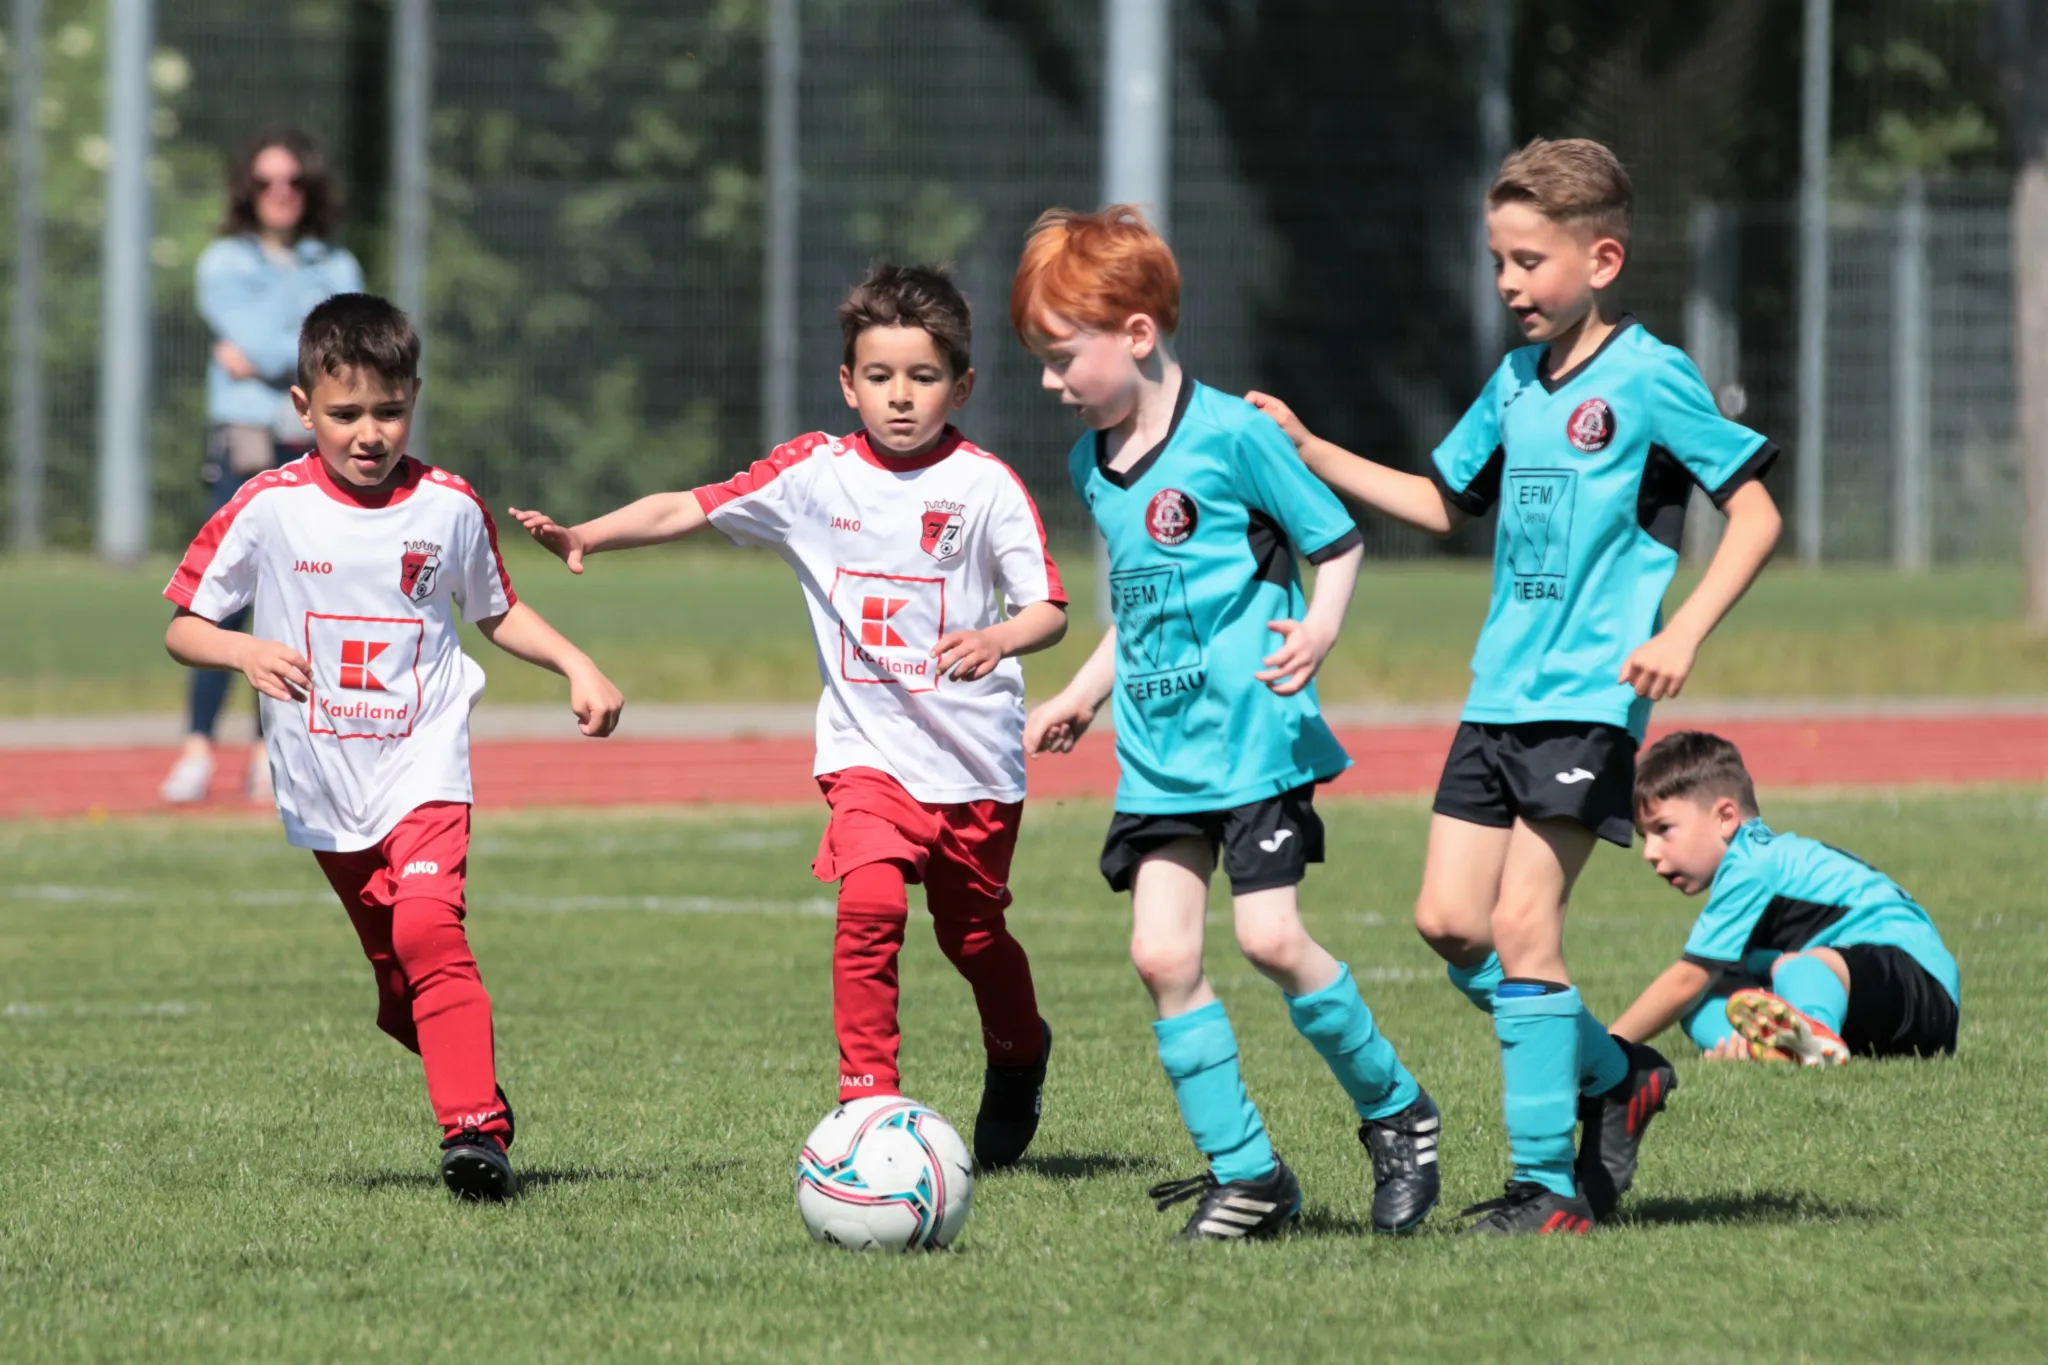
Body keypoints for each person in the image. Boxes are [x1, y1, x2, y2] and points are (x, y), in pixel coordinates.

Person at [1247, 137, 1784, 1233]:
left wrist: (1681, 631)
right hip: (1497, 692)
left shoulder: (1650, 377)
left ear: (1601, 259)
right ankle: (1616, 1076)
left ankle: (1546, 1188)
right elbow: (1443, 503)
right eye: (1498, 260)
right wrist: (1307, 447)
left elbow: (1757, 514)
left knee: (1524, 924)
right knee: (1450, 923)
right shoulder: (1513, 383)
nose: (1507, 282)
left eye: (1528, 260)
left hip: (1587, 698)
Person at [510, 264, 1065, 1170]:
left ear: (961, 387)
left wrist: (1000, 637)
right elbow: (689, 504)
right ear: (848, 383)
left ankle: (1018, 1052)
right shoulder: (813, 474)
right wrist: (587, 535)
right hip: (867, 755)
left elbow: (1049, 608)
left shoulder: (986, 487)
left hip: (974, 765)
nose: (899, 396)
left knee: (972, 938)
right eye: (879, 376)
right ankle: (867, 1103)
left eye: (923, 377)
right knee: (870, 901)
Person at [1017, 206, 1439, 1243]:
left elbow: (1336, 543)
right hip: (1159, 756)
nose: (1050, 382)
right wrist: (1082, 693)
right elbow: (1140, 610)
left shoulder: (1235, 436)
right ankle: (1248, 1174)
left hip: (1253, 740)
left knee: (1268, 936)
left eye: (1062, 357)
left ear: (1136, 333)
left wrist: (1320, 629)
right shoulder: (1089, 466)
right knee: (1160, 956)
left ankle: (1397, 1113)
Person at [162, 293, 624, 1198]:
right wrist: (243, 650)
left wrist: (577, 664)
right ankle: (468, 1073)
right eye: (345, 413)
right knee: (400, 989)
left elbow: (496, 609)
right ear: (303, 408)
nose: (369, 433)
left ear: (413, 397)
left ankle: (475, 1131)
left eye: (389, 410)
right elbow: (185, 627)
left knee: (427, 926)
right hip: (324, 781)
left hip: (424, 760)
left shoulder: (448, 505)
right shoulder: (268, 506)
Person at [162, 128, 365, 805]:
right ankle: (197, 745)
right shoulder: (224, 262)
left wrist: (269, 358)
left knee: (298, 599)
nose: (280, 193)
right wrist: (298, 349)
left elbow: (336, 349)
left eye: (293, 181)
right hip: (245, 444)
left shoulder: (337, 264)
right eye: (266, 181)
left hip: (310, 442)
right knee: (222, 596)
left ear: (311, 188)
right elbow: (303, 346)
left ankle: (265, 749)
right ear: (246, 190)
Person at [1612, 731, 1960, 1066]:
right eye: (1644, 837)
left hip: (1920, 987)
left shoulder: (1752, 866)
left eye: (1663, 829)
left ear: (1725, 818)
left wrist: (1608, 1046)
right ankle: (1765, 1050)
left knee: (1792, 968)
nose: (1650, 852)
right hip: (1875, 1006)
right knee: (1705, 1001)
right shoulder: (1752, 864)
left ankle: (1810, 1041)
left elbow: (1688, 978)